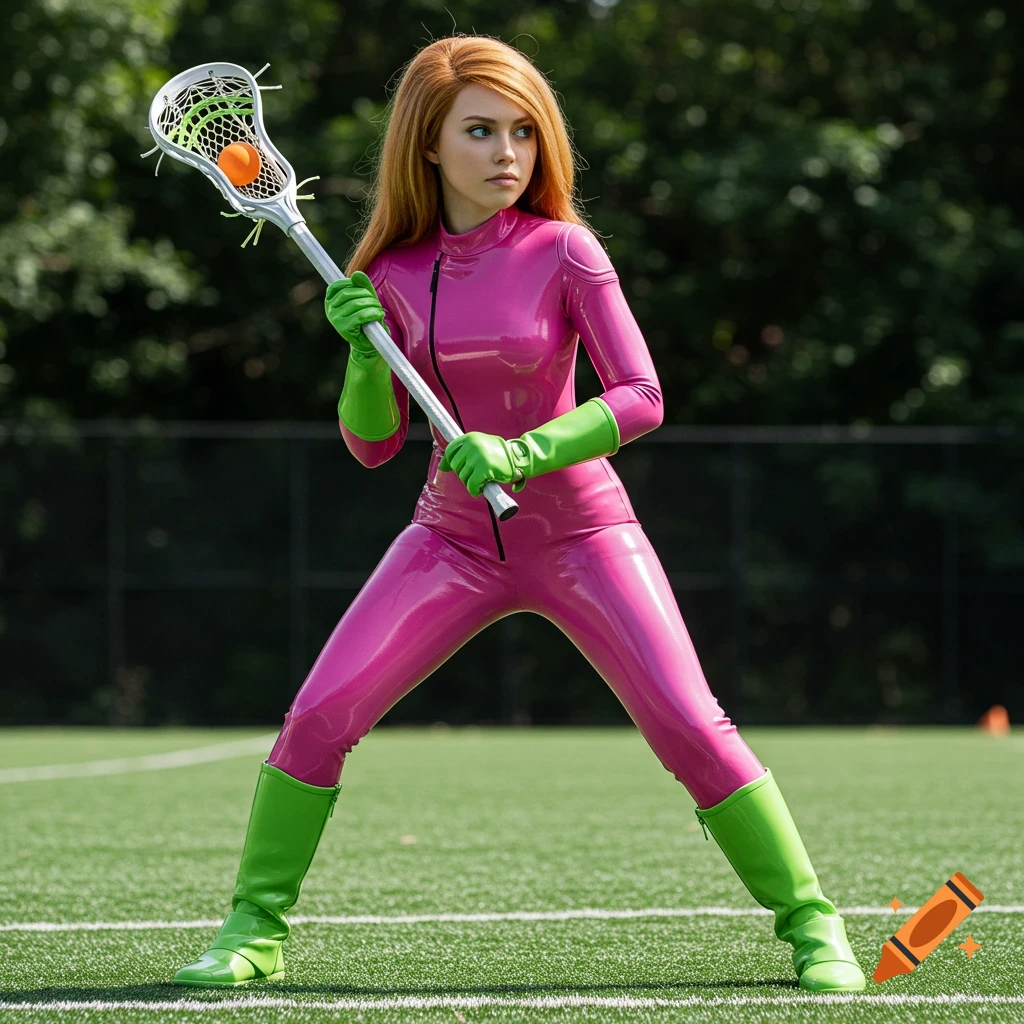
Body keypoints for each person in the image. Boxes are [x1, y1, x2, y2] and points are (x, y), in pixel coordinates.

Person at [173, 33, 866, 992]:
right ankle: (253, 930)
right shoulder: (392, 274)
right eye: (481, 131)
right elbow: (373, 445)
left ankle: (813, 924)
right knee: (318, 716)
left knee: (689, 723)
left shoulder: (566, 250)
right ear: (428, 144)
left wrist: (524, 450)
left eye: (524, 132)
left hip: (584, 532)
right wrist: (365, 355)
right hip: (450, 539)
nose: (509, 152)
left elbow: (641, 397)